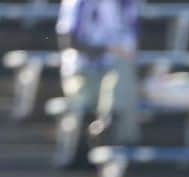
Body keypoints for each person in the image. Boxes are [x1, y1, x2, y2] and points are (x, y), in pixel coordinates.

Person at [56, 0, 140, 147]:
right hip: (83, 70)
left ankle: (109, 128)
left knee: (122, 75)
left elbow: (130, 46)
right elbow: (69, 42)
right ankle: (111, 131)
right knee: (117, 83)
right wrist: (107, 49)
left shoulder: (127, 4)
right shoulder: (77, 3)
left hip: (113, 72)